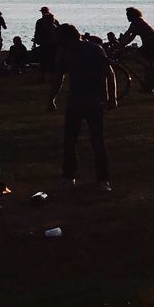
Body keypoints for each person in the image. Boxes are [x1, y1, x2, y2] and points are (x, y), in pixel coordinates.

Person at [49, 23, 116, 191]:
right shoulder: (66, 53)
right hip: (76, 101)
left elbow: (109, 72)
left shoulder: (94, 49)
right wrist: (52, 98)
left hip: (93, 101)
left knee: (96, 141)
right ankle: (69, 176)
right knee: (70, 141)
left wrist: (112, 97)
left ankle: (102, 179)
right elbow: (59, 77)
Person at [117, 7, 154, 93]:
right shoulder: (137, 22)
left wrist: (120, 44)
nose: (127, 17)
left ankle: (148, 84)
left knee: (138, 57)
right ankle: (148, 87)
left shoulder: (137, 22)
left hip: (152, 45)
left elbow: (129, 35)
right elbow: (130, 35)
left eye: (128, 15)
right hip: (149, 45)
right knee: (146, 65)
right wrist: (121, 43)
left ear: (132, 15)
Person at [33, 6, 58, 76]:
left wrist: (35, 42)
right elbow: (36, 32)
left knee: (47, 60)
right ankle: (47, 75)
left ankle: (47, 75)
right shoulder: (54, 21)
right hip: (46, 44)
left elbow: (36, 32)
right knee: (46, 60)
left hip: (47, 44)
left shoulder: (41, 22)